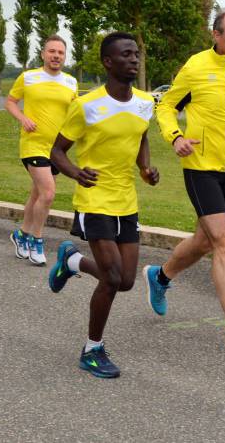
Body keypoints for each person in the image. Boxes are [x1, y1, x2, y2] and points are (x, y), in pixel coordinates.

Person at [144, 9, 225, 351]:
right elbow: (165, 106)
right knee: (224, 244)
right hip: (199, 165)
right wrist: (175, 138)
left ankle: (159, 277)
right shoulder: (196, 67)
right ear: (216, 36)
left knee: (204, 241)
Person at [46, 32, 158, 379]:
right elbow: (57, 151)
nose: (134, 59)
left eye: (136, 53)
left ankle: (73, 260)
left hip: (127, 199)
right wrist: (77, 173)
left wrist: (146, 167)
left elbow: (140, 135)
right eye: (126, 55)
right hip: (95, 198)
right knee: (110, 278)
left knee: (126, 281)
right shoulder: (87, 105)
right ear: (108, 62)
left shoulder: (144, 102)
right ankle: (92, 349)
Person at [6, 35, 78, 265]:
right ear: (43, 54)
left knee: (37, 194)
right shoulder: (28, 77)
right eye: (52, 51)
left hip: (57, 149)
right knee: (48, 193)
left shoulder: (71, 82)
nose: (56, 56)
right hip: (33, 144)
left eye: (60, 52)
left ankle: (21, 235)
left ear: (64, 57)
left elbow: (75, 113)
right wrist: (23, 118)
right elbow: (10, 102)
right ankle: (37, 242)